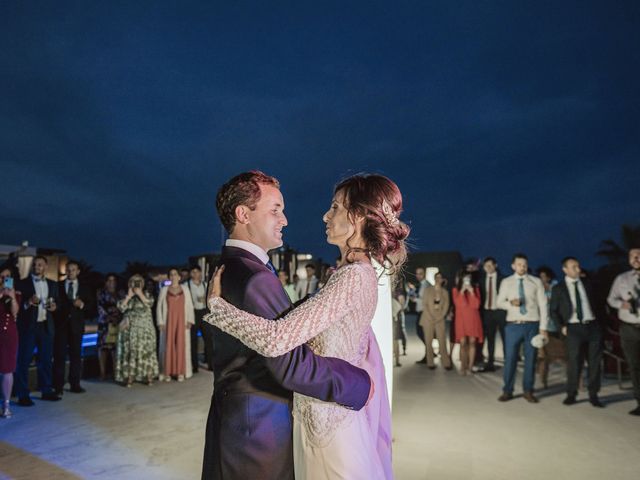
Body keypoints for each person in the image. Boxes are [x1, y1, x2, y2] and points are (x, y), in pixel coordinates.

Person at [206, 172, 409, 480]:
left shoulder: (353, 276)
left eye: (336, 207)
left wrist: (219, 311)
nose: (326, 215)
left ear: (357, 218)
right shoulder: (349, 273)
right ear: (243, 214)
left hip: (329, 423)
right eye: (275, 210)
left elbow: (278, 340)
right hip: (308, 419)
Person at [550, 257, 603, 407]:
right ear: (565, 269)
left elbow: (599, 304)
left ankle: (594, 395)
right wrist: (561, 326)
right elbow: (553, 311)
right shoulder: (558, 288)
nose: (578, 269)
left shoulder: (588, 284)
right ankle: (571, 394)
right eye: (574, 267)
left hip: (592, 327)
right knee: (574, 362)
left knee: (595, 363)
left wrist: (600, 325)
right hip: (573, 329)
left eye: (578, 266)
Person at [497, 253, 549, 403]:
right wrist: (510, 304)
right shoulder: (506, 282)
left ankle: (528, 390)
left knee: (531, 359)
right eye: (519, 264)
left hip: (532, 325)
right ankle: (507, 390)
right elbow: (499, 302)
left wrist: (543, 327)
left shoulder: (536, 281)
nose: (522, 267)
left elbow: (543, 305)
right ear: (513, 266)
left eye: (524, 264)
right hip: (513, 325)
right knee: (510, 359)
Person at [15, 255, 60, 405]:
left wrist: (54, 307)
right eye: (35, 265)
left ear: (45, 267)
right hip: (29, 328)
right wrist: (28, 302)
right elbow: (16, 308)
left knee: (46, 361)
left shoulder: (53, 285)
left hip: (46, 327)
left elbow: (57, 304)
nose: (36, 267)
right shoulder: (22, 284)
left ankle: (46, 390)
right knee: (24, 361)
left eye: (40, 265)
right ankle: (23, 394)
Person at [607, 246, 640, 416]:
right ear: (628, 259)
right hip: (629, 328)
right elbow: (611, 299)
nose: (636, 258)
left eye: (639, 255)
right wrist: (622, 304)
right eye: (632, 256)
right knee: (634, 366)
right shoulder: (621, 279)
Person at [53, 260, 92, 394]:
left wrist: (82, 305)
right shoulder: (57, 286)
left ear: (78, 271)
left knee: (76, 357)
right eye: (68, 270)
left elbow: (91, 307)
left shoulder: (85, 287)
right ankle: (58, 386)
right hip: (61, 327)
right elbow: (54, 304)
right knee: (59, 357)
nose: (70, 272)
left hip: (76, 327)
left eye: (73, 269)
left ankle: (75, 384)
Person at [116, 274, 159, 386]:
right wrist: (129, 296)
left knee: (146, 351)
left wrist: (140, 294)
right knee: (130, 352)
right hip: (130, 329)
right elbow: (121, 308)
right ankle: (129, 376)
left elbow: (150, 303)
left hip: (145, 328)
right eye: (133, 282)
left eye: (138, 282)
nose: (135, 284)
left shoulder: (147, 294)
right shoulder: (125, 296)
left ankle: (147, 375)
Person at [157, 268, 194, 382]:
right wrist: (160, 322)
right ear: (169, 277)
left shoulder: (185, 289)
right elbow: (159, 306)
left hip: (182, 321)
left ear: (179, 277)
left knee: (181, 346)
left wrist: (190, 320)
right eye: (171, 275)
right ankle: (167, 372)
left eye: (175, 274)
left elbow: (189, 305)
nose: (173, 276)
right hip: (169, 321)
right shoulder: (164, 289)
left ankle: (180, 372)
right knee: (168, 346)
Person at [452, 270, 483, 375]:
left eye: (469, 278)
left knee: (472, 343)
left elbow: (477, 305)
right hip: (461, 319)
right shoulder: (456, 290)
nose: (467, 280)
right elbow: (459, 305)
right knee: (463, 343)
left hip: (473, 318)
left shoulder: (476, 289)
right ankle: (463, 366)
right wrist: (462, 291)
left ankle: (469, 367)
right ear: (461, 279)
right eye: (465, 278)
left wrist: (472, 292)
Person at [479, 257, 506, 371]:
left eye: (490, 265)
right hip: (487, 313)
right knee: (490, 338)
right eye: (486, 266)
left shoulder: (503, 279)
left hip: (500, 312)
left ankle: (508, 361)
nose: (488, 268)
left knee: (505, 338)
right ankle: (490, 363)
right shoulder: (481, 280)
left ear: (496, 265)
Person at [1, 266, 20, 417]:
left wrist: (12, 297)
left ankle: (6, 406)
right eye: (1, 277)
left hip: (9, 335)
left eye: (7, 277)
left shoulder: (15, 294)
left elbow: (15, 312)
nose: (4, 280)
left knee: (8, 370)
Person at [422, 272, 452, 370]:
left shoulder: (445, 292)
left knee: (442, 340)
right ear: (434, 279)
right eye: (437, 277)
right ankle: (430, 362)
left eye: (440, 277)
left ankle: (446, 362)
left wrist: (440, 316)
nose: (438, 279)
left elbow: (446, 305)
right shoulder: (428, 290)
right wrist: (430, 316)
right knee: (428, 340)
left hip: (439, 318)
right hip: (428, 318)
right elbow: (424, 304)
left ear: (443, 279)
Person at [96, 274, 124, 380]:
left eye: (113, 280)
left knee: (115, 348)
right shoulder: (100, 292)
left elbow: (123, 307)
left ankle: (115, 372)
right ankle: (102, 373)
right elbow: (99, 306)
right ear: (105, 282)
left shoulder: (121, 293)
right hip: (104, 323)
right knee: (102, 348)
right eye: (109, 280)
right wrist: (108, 317)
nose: (111, 282)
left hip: (117, 323)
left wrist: (117, 318)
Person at [187, 265, 213, 373]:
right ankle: (194, 366)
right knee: (193, 340)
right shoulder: (187, 286)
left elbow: (210, 298)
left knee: (208, 339)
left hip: (204, 312)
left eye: (197, 272)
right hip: (193, 312)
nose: (195, 274)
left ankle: (211, 364)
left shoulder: (205, 284)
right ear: (191, 274)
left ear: (200, 273)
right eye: (193, 272)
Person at [392, 291, 406, 367]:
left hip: (395, 320)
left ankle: (397, 360)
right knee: (395, 342)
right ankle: (397, 361)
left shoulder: (397, 295)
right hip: (395, 320)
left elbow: (402, 307)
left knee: (395, 342)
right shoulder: (398, 294)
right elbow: (402, 307)